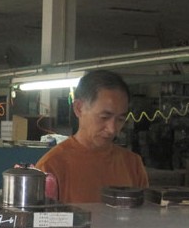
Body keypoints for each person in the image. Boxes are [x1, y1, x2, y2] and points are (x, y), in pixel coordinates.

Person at [36, 69, 149, 203]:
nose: (112, 129)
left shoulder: (132, 164)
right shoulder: (51, 167)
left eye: (120, 119)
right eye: (104, 117)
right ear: (79, 108)